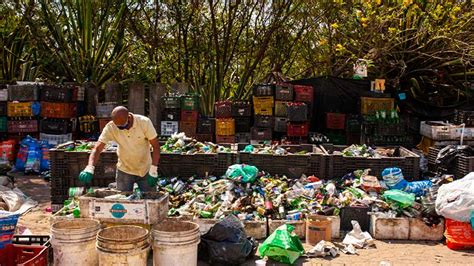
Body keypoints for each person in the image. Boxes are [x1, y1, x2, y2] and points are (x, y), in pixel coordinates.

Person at [78, 106, 160, 191]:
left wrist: (153, 169)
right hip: (124, 170)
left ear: (129, 117)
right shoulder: (111, 127)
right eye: (119, 127)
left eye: (124, 125)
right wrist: (90, 167)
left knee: (150, 199)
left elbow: (156, 147)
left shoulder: (144, 122)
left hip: (145, 169)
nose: (122, 128)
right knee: (122, 200)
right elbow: (97, 148)